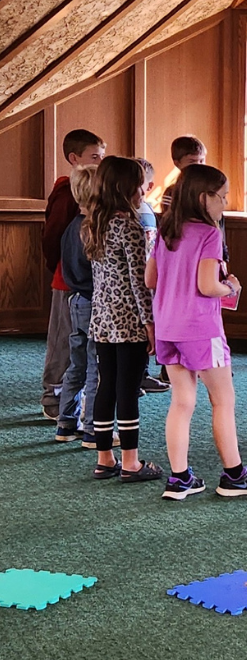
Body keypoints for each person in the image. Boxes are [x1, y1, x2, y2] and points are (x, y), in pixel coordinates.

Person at [148, 165, 247, 501]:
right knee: (223, 401)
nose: (225, 204)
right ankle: (235, 475)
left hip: (167, 327)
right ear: (204, 198)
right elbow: (206, 285)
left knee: (182, 401)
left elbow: (151, 279)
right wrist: (229, 286)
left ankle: (179, 478)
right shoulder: (209, 234)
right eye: (222, 198)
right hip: (201, 329)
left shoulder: (166, 230)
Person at [84, 156, 163, 484]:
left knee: (106, 385)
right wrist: (150, 323)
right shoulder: (128, 225)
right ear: (127, 187)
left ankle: (105, 458)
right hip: (129, 319)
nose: (143, 190)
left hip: (102, 318)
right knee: (128, 389)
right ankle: (131, 462)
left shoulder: (92, 222)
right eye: (139, 184)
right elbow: (138, 279)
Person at [41, 129, 106, 419]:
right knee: (62, 341)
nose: (100, 162)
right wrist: (61, 266)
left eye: (102, 157)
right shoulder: (67, 192)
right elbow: (53, 235)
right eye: (94, 157)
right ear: (74, 158)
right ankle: (52, 398)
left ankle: (70, 401)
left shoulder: (97, 189)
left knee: (80, 346)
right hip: (66, 280)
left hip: (84, 283)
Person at [55, 165, 102, 448]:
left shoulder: (71, 227)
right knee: (97, 367)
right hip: (93, 302)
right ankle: (93, 428)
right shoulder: (92, 230)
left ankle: (65, 422)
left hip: (75, 301)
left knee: (77, 364)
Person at [135, 158, 170, 396]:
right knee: (140, 330)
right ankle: (134, 377)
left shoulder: (147, 209)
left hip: (150, 275)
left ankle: (142, 374)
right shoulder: (132, 213)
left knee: (148, 330)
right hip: (138, 279)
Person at [156, 135, 207, 213]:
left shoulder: (210, 189)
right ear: (177, 163)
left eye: (201, 161)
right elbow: (167, 219)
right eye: (192, 161)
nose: (198, 165)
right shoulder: (171, 192)